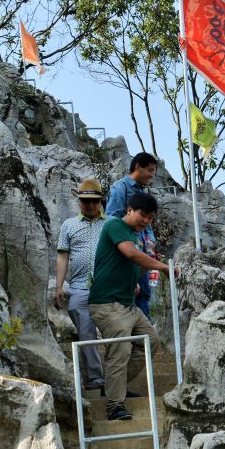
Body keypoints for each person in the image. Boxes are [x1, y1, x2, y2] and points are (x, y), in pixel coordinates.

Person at [88, 192, 170, 421]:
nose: (146, 221)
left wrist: (138, 275)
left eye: (151, 218)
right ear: (130, 210)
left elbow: (133, 264)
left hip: (127, 305)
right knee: (120, 350)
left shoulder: (135, 237)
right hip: (107, 303)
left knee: (150, 341)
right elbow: (129, 254)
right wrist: (161, 266)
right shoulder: (115, 225)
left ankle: (116, 386)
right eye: (143, 214)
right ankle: (115, 405)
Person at [54, 178, 107, 390]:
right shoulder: (69, 225)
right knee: (86, 333)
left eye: (95, 201)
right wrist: (59, 287)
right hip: (78, 287)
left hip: (107, 288)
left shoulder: (111, 223)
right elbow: (62, 257)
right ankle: (95, 378)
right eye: (86, 201)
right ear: (79, 201)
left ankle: (115, 378)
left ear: (101, 201)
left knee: (115, 333)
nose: (91, 205)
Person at [106, 152, 159, 317]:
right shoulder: (120, 187)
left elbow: (147, 227)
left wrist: (151, 247)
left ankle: (144, 337)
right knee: (129, 295)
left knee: (144, 293)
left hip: (143, 253)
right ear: (137, 167)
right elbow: (112, 219)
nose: (151, 175)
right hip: (128, 252)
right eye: (150, 170)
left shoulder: (143, 192)